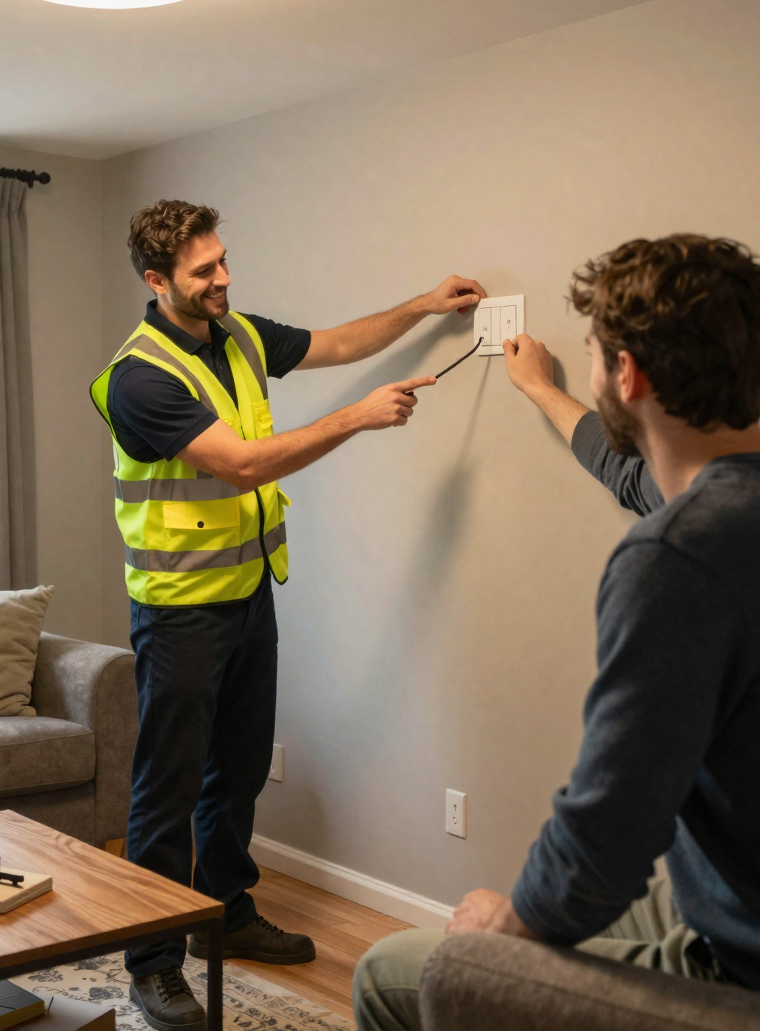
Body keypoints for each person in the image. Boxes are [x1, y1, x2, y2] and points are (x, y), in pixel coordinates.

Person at [353, 234, 760, 1029]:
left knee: (392, 972)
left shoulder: (677, 556)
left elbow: (604, 840)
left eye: (593, 354)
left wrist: (501, 931)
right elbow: (634, 475)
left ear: (628, 374)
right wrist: (542, 390)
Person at [91, 199, 486, 1031]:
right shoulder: (139, 377)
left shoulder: (234, 333)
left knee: (234, 769)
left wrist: (424, 304)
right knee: (167, 789)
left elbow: (336, 343)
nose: (223, 278)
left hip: (245, 591)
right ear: (157, 282)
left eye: (224, 260)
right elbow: (237, 467)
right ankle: (153, 963)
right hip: (178, 610)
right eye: (203, 271)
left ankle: (226, 912)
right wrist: (358, 417)